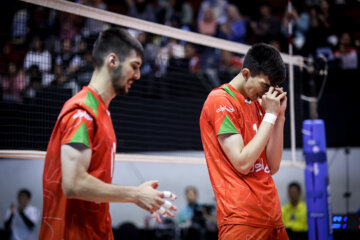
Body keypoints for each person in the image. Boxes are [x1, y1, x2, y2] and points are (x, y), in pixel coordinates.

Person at [39, 27, 177, 240]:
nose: (138, 75)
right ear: (112, 61)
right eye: (134, 66)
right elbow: (73, 184)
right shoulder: (81, 114)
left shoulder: (101, 111)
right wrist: (136, 194)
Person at [199, 43, 288, 239]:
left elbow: (272, 166)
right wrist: (270, 117)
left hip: (272, 216)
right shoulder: (220, 100)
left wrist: (279, 118)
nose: (267, 93)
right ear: (246, 73)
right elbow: (242, 162)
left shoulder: (259, 104)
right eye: (265, 86)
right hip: (241, 219)